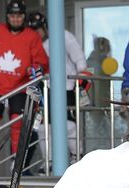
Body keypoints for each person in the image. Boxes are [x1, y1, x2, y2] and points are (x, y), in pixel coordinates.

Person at [0, 0, 48, 161]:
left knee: (17, 125)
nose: (16, 19)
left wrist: (36, 68)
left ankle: (16, 161)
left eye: (19, 16)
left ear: (23, 17)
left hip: (20, 87)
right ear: (7, 17)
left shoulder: (31, 36)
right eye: (12, 16)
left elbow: (41, 61)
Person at [27, 11, 91, 163]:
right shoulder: (32, 43)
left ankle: (77, 158)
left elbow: (80, 59)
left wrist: (82, 79)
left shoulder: (63, 36)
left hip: (67, 87)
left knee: (69, 125)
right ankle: (47, 162)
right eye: (33, 31)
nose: (36, 34)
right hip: (44, 89)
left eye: (38, 30)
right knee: (42, 128)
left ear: (44, 27)